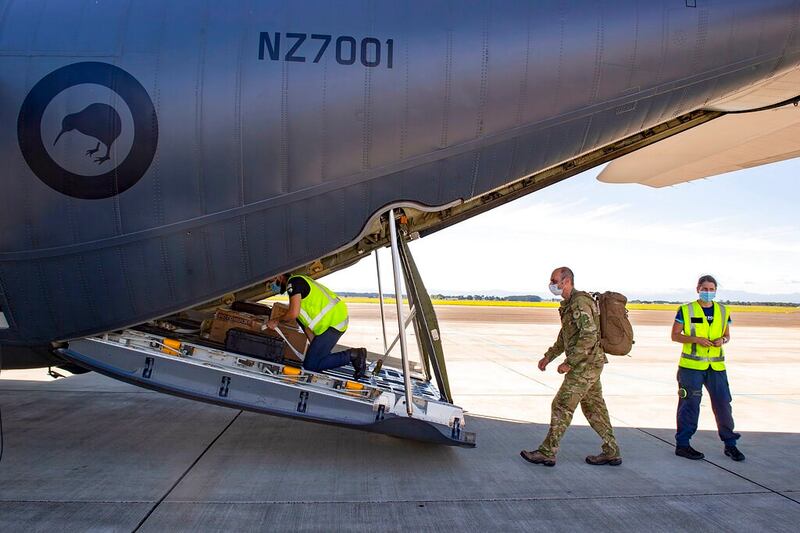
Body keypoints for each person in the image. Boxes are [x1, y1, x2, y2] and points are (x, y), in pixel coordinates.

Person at [520, 267, 621, 467]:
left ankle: (547, 452)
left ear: (566, 281)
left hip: (585, 365)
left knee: (561, 404)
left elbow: (589, 336)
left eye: (554, 280)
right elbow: (565, 336)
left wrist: (569, 363)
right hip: (591, 363)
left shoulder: (580, 302)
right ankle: (611, 451)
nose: (551, 284)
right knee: (595, 409)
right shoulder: (570, 304)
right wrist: (548, 357)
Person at [671, 275, 744, 461]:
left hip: (716, 367)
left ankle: (730, 444)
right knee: (690, 405)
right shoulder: (686, 310)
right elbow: (675, 335)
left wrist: (723, 340)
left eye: (712, 289)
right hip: (691, 367)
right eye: (705, 289)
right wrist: (695, 339)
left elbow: (727, 335)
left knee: (723, 405)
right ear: (698, 289)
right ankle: (683, 444)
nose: (708, 292)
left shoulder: (723, 310)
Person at [266, 273, 368, 379]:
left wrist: (276, 320)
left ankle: (354, 355)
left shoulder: (294, 282)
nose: (271, 287)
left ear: (279, 277)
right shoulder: (298, 298)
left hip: (334, 321)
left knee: (310, 366)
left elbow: (293, 314)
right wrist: (314, 349)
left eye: (270, 284)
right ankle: (353, 356)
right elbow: (306, 327)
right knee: (314, 362)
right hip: (330, 324)